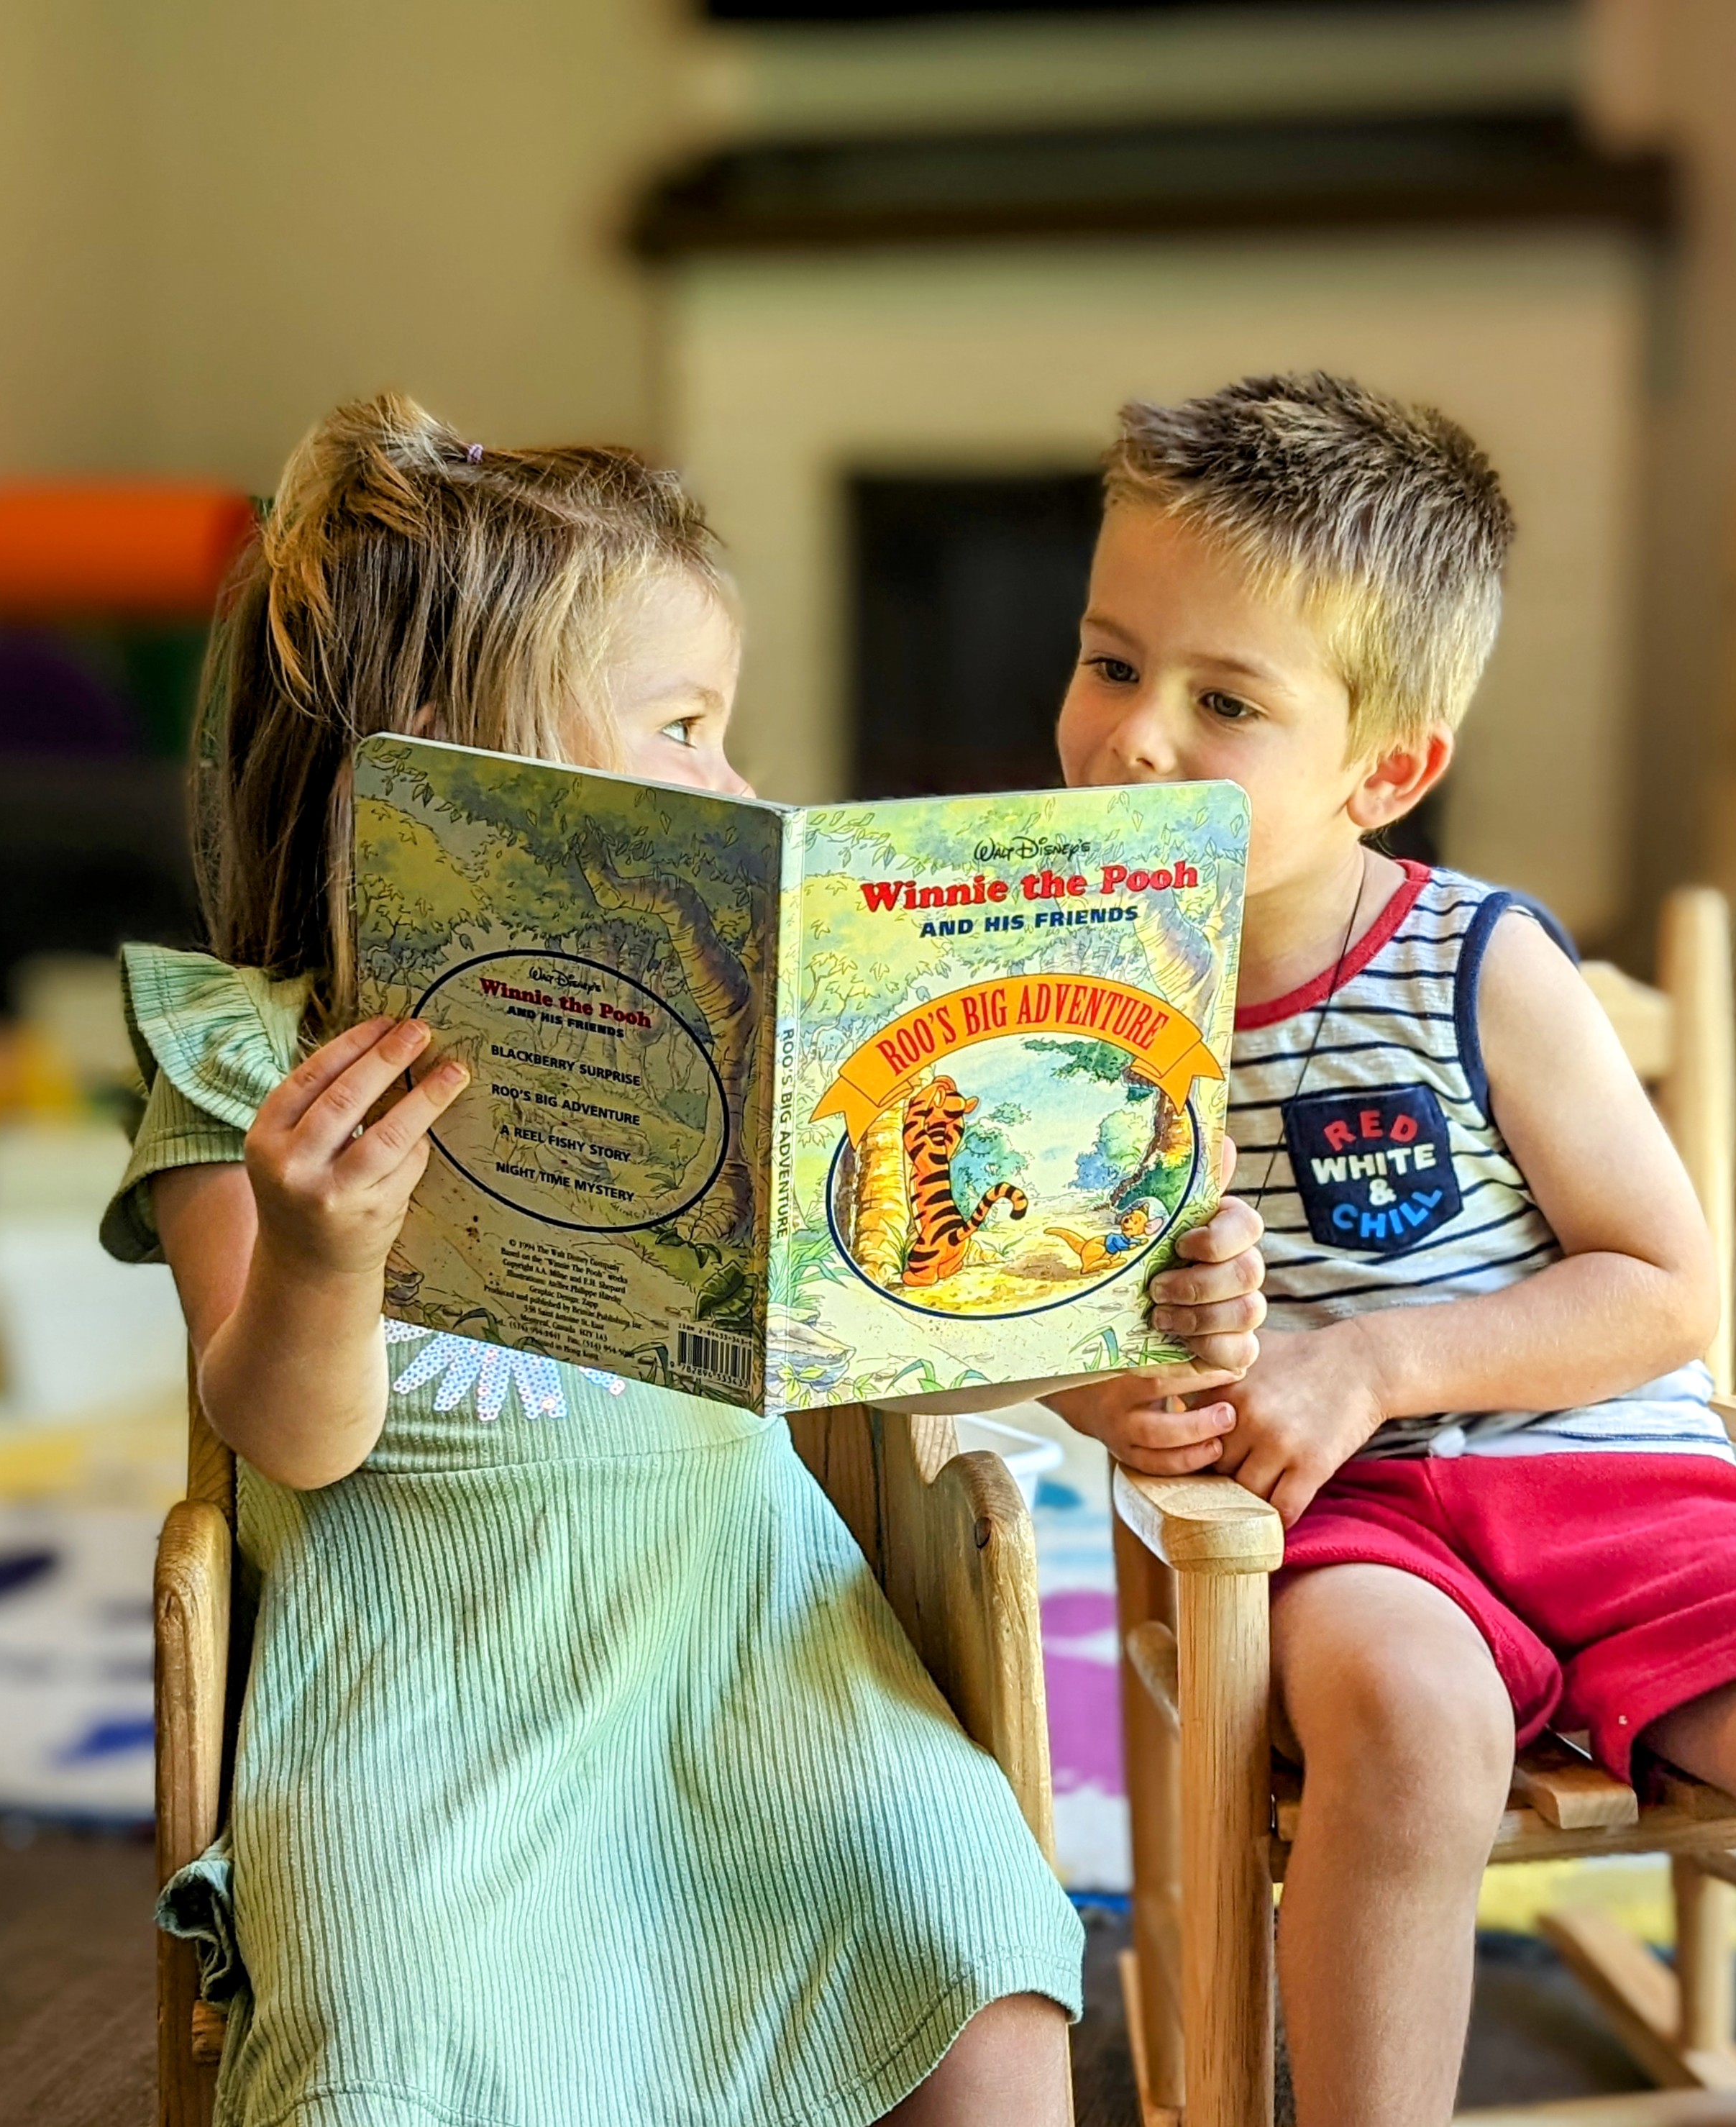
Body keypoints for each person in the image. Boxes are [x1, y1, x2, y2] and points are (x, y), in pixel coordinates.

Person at [102, 394, 1267, 2127]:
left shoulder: (738, 1036)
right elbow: (286, 1436)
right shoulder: (247, 1058)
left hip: (754, 1640)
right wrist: (321, 1253)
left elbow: (874, 1341)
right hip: (433, 1698)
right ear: (457, 766)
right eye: (684, 729)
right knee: (391, 2043)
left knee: (977, 1944)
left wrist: (1114, 1322)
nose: (736, 783)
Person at [1046, 374, 1736, 2127]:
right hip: (1333, 1522)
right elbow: (1047, 1314)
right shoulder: (1062, 991)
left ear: (1386, 770)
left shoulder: (1479, 961)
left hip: (1620, 1488)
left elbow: (1663, 1287)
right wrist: (1124, 1397)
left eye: (1226, 701)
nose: (1136, 740)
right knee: (1413, 1737)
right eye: (1113, 663)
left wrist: (1382, 1360)